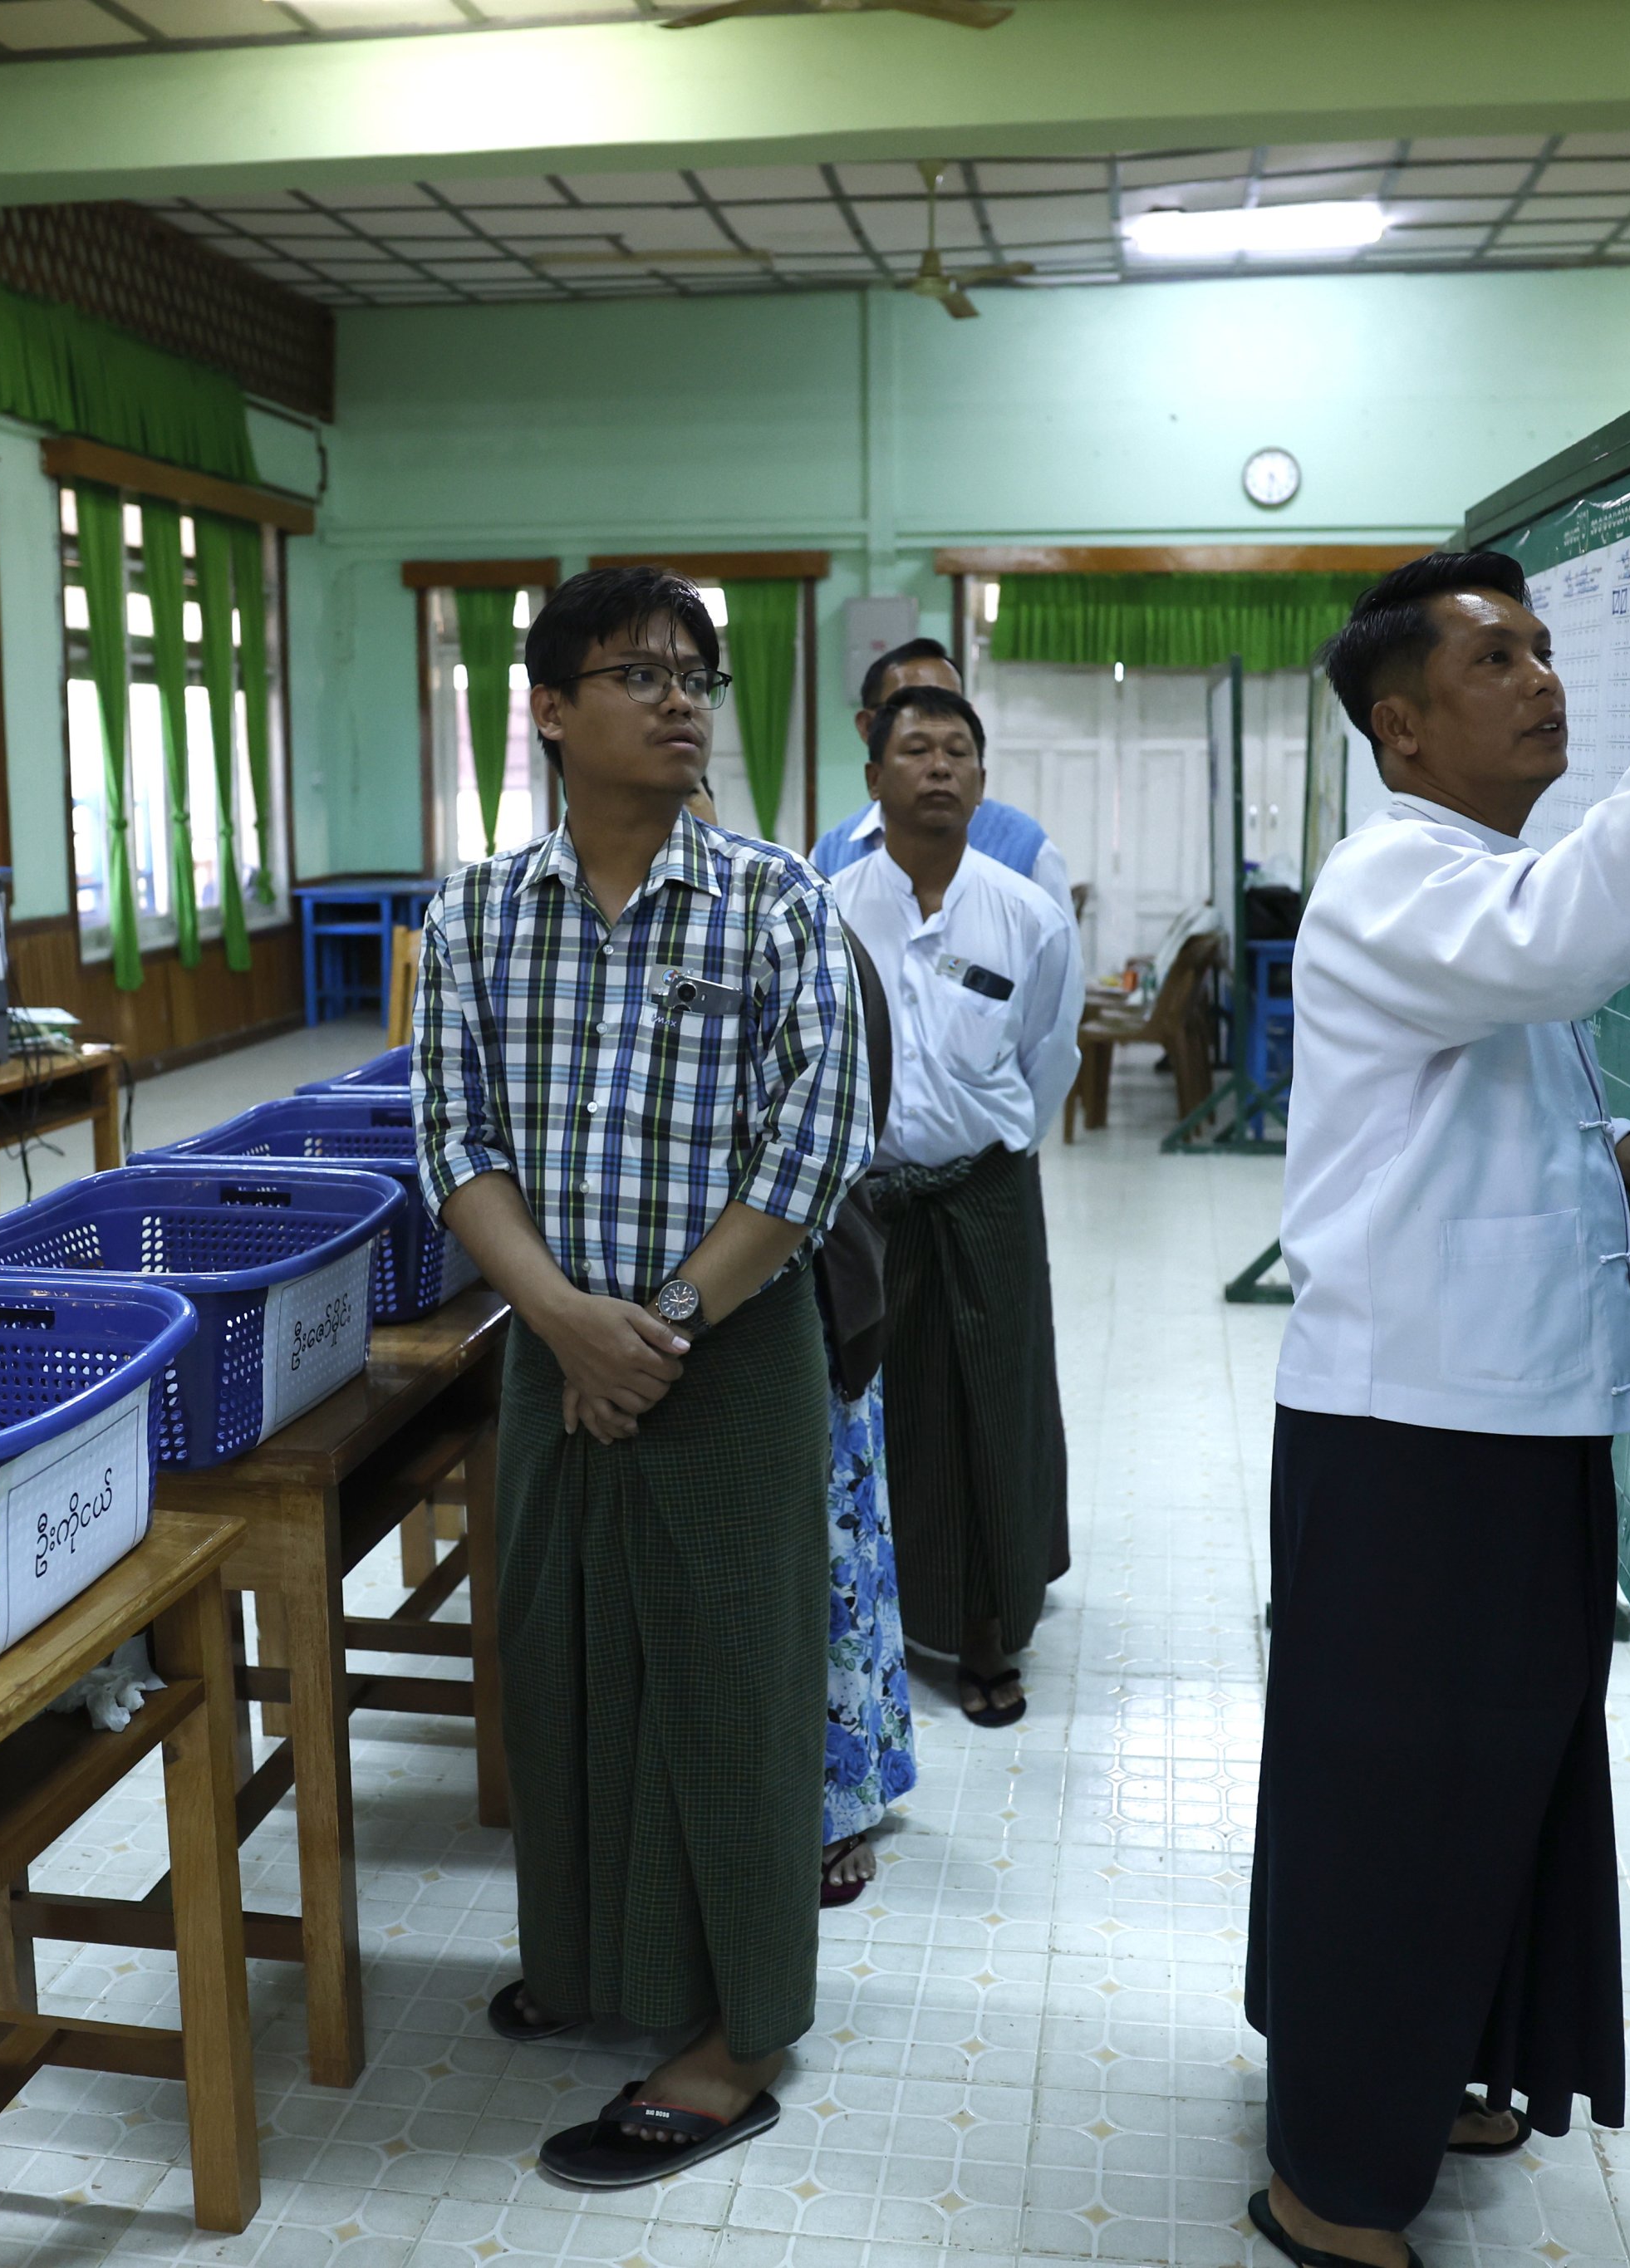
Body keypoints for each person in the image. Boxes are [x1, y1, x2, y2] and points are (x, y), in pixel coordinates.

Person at [1247, 533, 1630, 2268]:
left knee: (1481, 1785)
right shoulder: (1400, 880)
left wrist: (1603, 1154)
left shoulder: (1462, 878)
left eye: (1540, 651)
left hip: (1498, 1423)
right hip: (1415, 1439)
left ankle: (1420, 2064)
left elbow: (1440, 1107)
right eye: (1495, 662)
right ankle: (1329, 2175)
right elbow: (1575, 935)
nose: (1541, 681)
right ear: (1398, 728)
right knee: (1400, 1801)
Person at [413, 567, 867, 2187]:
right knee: (566, 1654)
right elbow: (453, 1141)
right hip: (554, 1355)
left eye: (697, 677)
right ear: (547, 710)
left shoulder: (775, 901)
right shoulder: (473, 914)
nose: (680, 699)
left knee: (726, 1681)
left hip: (728, 1358)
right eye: (638, 673)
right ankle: (603, 1964)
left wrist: (653, 1322)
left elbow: (814, 1147)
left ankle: (736, 2038)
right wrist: (559, 1319)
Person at [829, 686, 1079, 1729]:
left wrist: (985, 1144)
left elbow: (1046, 1061)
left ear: (982, 780)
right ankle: (888, 1615)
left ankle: (989, 1627)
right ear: (876, 775)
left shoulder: (1026, 916)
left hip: (986, 1198)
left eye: (960, 752)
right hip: (869, 1202)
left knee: (994, 1405)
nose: (940, 767)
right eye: (917, 748)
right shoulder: (829, 907)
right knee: (881, 1407)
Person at [685, 778, 916, 1907]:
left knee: (827, 1546)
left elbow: (844, 1124)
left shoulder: (794, 919)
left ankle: (840, 1800)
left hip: (797, 1292)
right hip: (662, 1317)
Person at [808, 639, 1073, 914]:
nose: (933, 717)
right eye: (908, 705)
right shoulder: (831, 856)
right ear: (868, 727)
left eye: (950, 706)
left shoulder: (1028, 850)